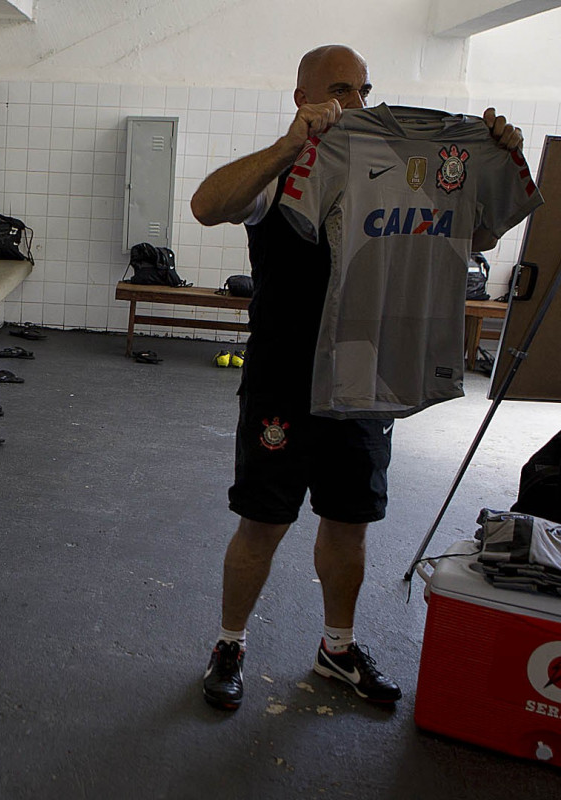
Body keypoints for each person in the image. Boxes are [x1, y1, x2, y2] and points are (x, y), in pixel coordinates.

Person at [189, 44, 524, 711]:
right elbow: (206, 204)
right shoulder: (283, 175)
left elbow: (476, 235)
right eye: (342, 89)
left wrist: (501, 155)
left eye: (365, 89)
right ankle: (230, 643)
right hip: (284, 382)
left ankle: (336, 650)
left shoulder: (395, 170)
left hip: (367, 377)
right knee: (262, 522)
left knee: (350, 521)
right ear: (303, 97)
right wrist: (290, 145)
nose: (358, 104)